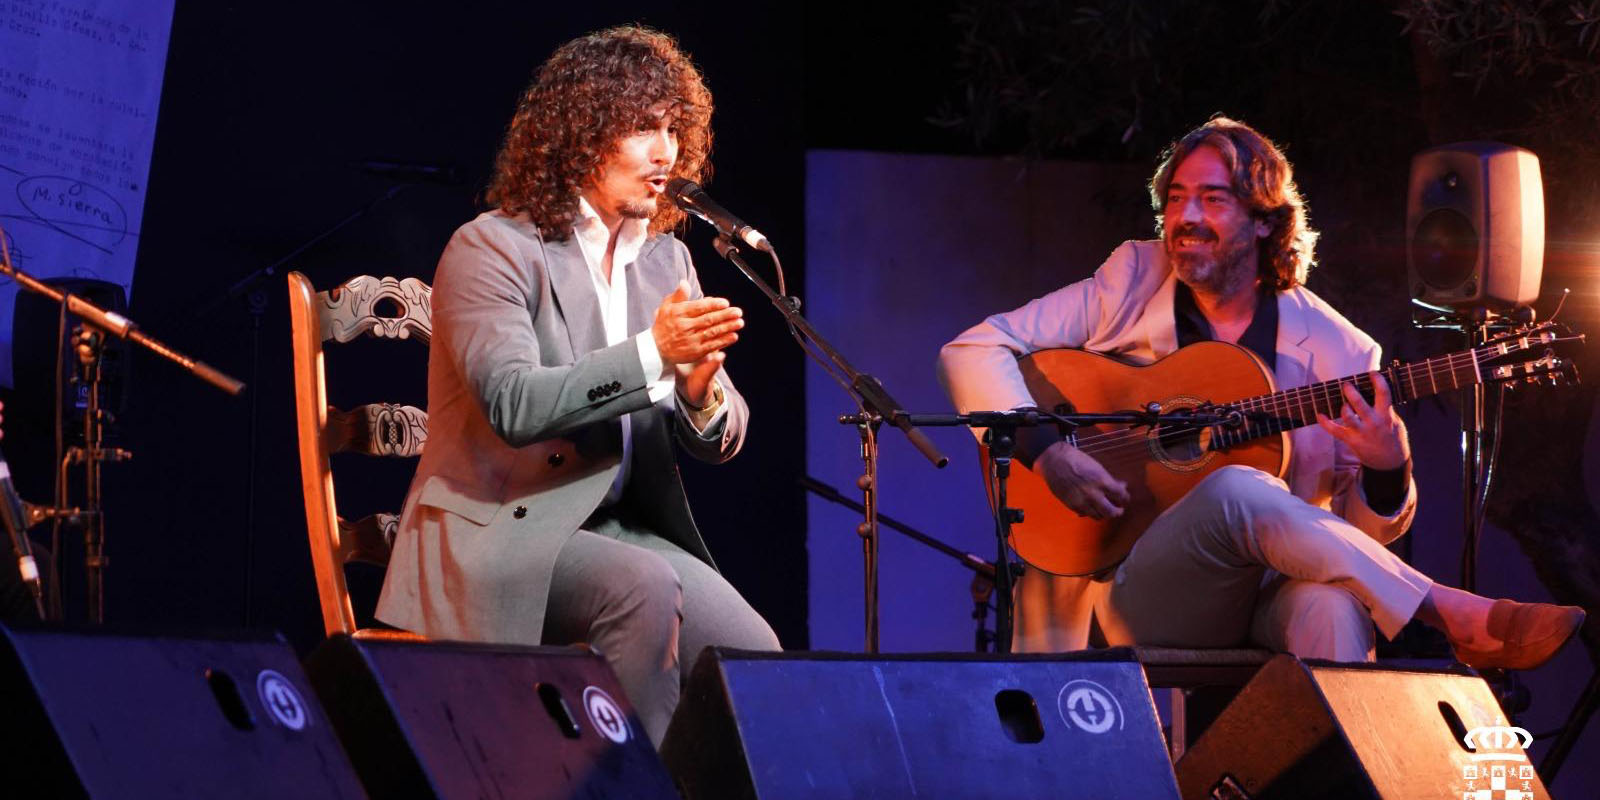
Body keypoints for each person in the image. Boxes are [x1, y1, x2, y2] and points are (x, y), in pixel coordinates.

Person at [937, 116, 1583, 668]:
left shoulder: (1342, 352)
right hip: (1127, 588)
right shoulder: (1132, 277)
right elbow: (972, 347)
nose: (1186, 218)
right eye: (1178, 198)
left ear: (1266, 222)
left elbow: (1353, 540)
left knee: (1331, 606)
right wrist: (1048, 451)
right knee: (1239, 488)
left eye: (1213, 199)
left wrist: (1389, 471)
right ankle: (1452, 613)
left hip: (1264, 596)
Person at [377, 25, 779, 745]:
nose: (667, 154)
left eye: (672, 129)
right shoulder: (491, 247)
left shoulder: (667, 261)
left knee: (754, 656)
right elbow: (514, 404)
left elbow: (719, 436)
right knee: (643, 590)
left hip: (619, 530)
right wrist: (651, 351)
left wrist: (700, 392)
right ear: (581, 136)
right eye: (641, 129)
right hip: (502, 528)